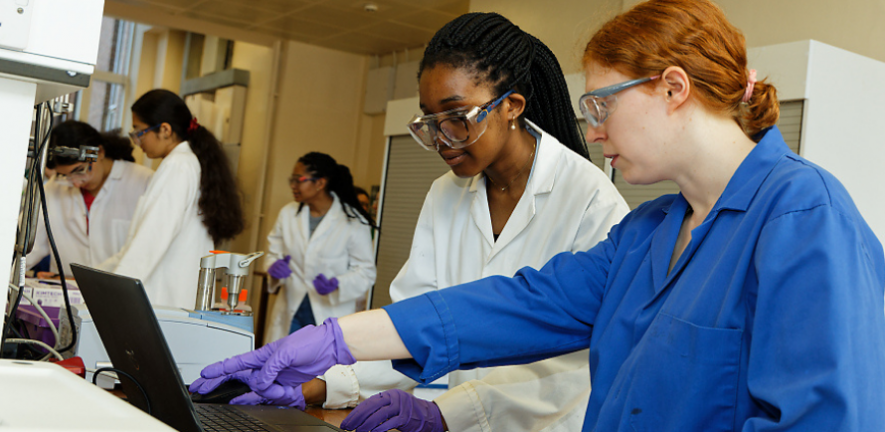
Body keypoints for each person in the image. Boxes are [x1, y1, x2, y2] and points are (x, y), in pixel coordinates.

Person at [194, 1, 885, 431]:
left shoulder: (803, 216)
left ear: (672, 88)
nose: (593, 127)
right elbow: (513, 306)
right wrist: (333, 342)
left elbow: (823, 420)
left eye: (602, 104)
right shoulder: (647, 233)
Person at [194, 12, 629, 432]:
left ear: (511, 106)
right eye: (431, 121)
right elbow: (410, 325)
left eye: (456, 119)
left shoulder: (590, 200)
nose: (442, 140)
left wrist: (448, 413)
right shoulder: (445, 193)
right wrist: (317, 387)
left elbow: (576, 368)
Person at [99, 89, 245, 309]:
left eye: (139, 131)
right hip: (172, 298)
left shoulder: (178, 166)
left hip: (165, 299)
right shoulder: (184, 163)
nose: (137, 141)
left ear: (165, 130)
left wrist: (112, 294)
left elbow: (151, 240)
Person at [264, 153, 377, 343]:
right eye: (292, 180)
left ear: (320, 183)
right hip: (292, 309)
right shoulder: (288, 214)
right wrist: (273, 267)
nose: (293, 185)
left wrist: (338, 284)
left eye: (298, 179)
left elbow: (366, 272)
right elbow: (273, 254)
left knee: (321, 360)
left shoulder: (353, 221)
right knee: (282, 358)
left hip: (330, 311)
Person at [27, 121, 153, 276]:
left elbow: (146, 249)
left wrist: (79, 280)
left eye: (80, 170)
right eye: (65, 175)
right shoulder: (53, 188)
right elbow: (28, 245)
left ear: (100, 152)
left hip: (119, 287)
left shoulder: (143, 181)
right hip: (63, 290)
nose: (76, 182)